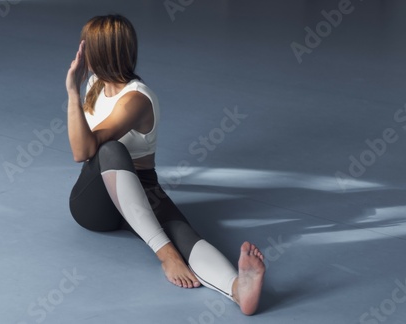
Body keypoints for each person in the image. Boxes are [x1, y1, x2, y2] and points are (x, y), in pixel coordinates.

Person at [65, 14, 265, 315]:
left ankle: (239, 289)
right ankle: (165, 252)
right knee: (111, 151)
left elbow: (86, 148)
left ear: (103, 52)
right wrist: (74, 92)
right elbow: (82, 153)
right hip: (93, 203)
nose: (81, 52)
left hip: (141, 188)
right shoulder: (94, 85)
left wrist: (71, 90)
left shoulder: (136, 99)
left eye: (87, 46)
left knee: (184, 231)